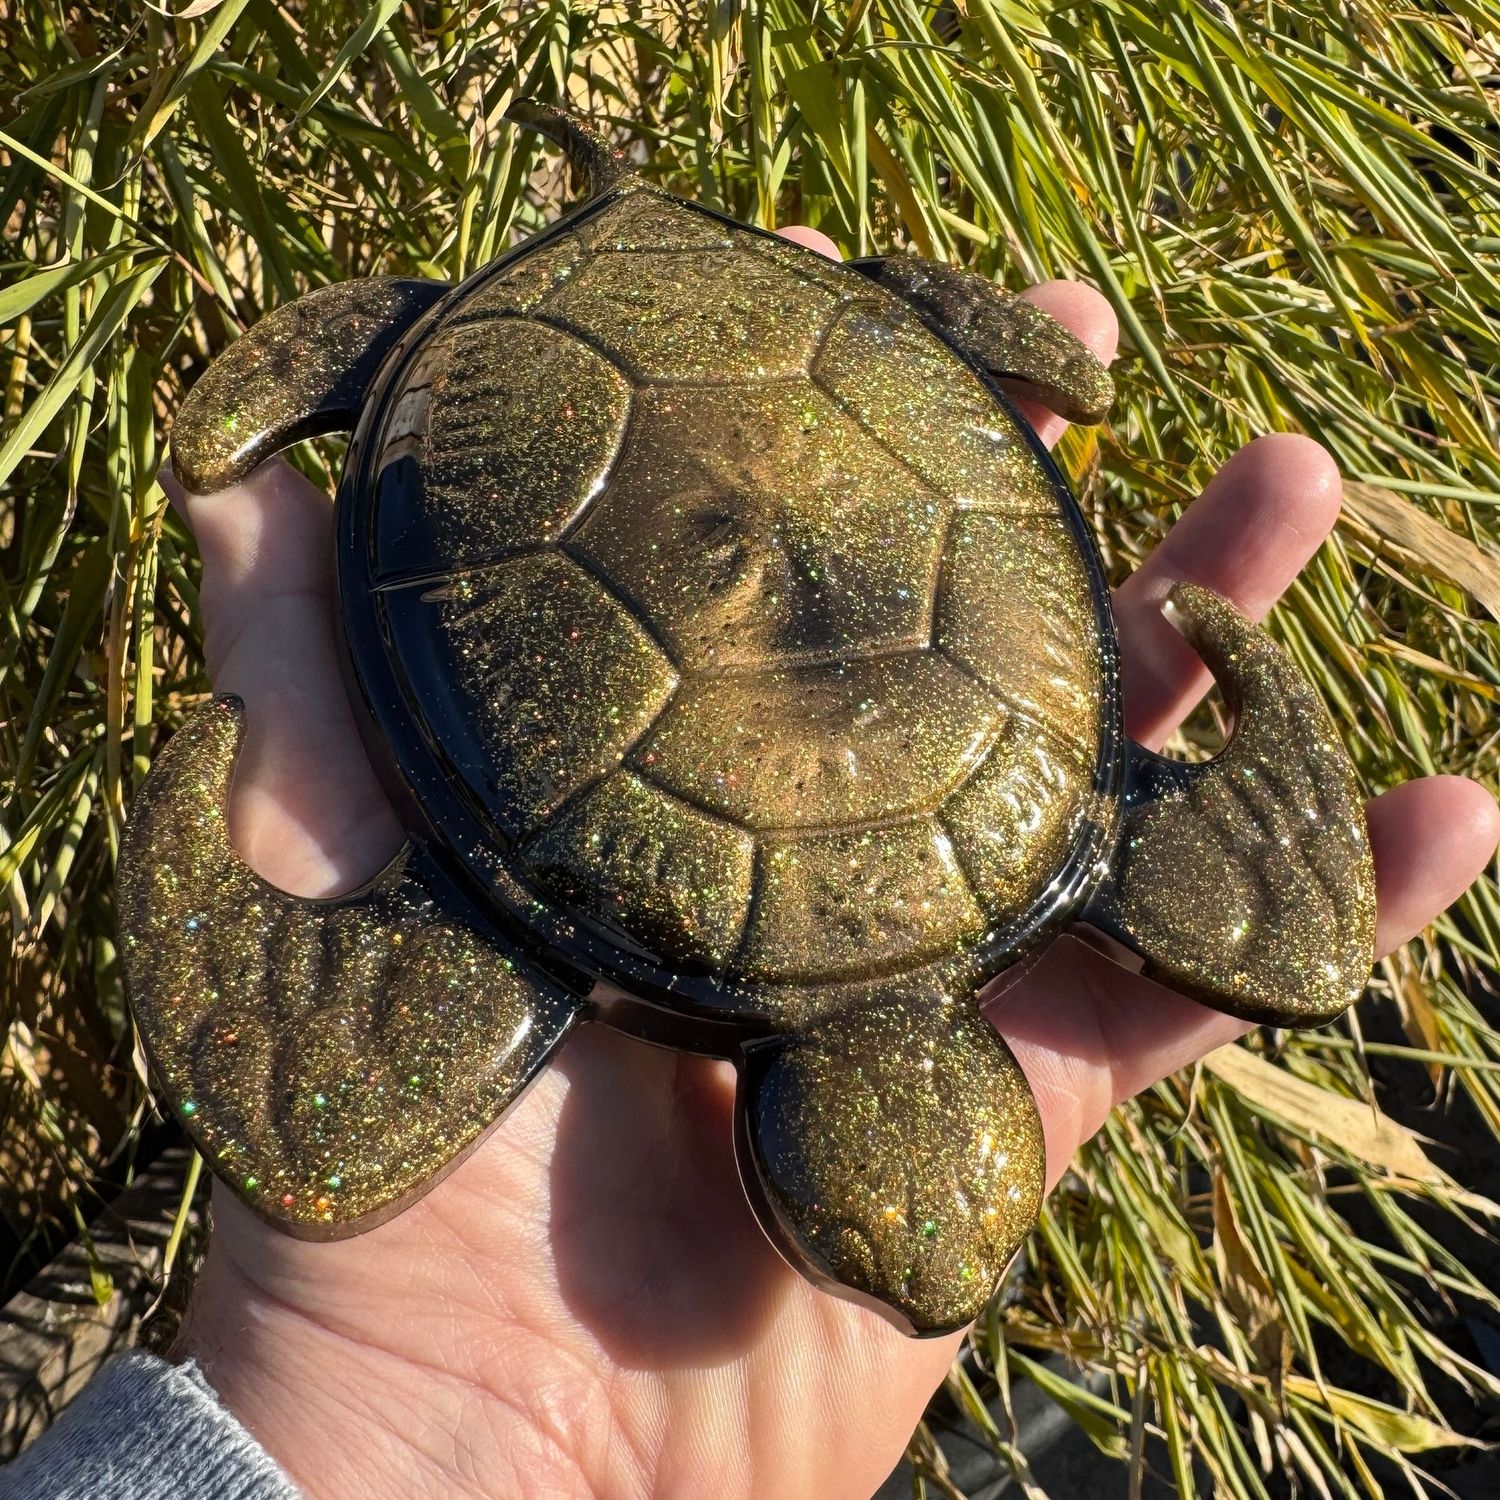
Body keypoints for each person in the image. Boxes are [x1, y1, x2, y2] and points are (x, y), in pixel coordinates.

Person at [6, 229, 1496, 1500]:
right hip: (662, 402)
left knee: (324, 1138)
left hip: (653, 396)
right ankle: (413, 340)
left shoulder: (1057, 839)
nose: (935, 1312)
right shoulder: (1087, 841)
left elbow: (290, 1101)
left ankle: (409, 344)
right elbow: (287, 1106)